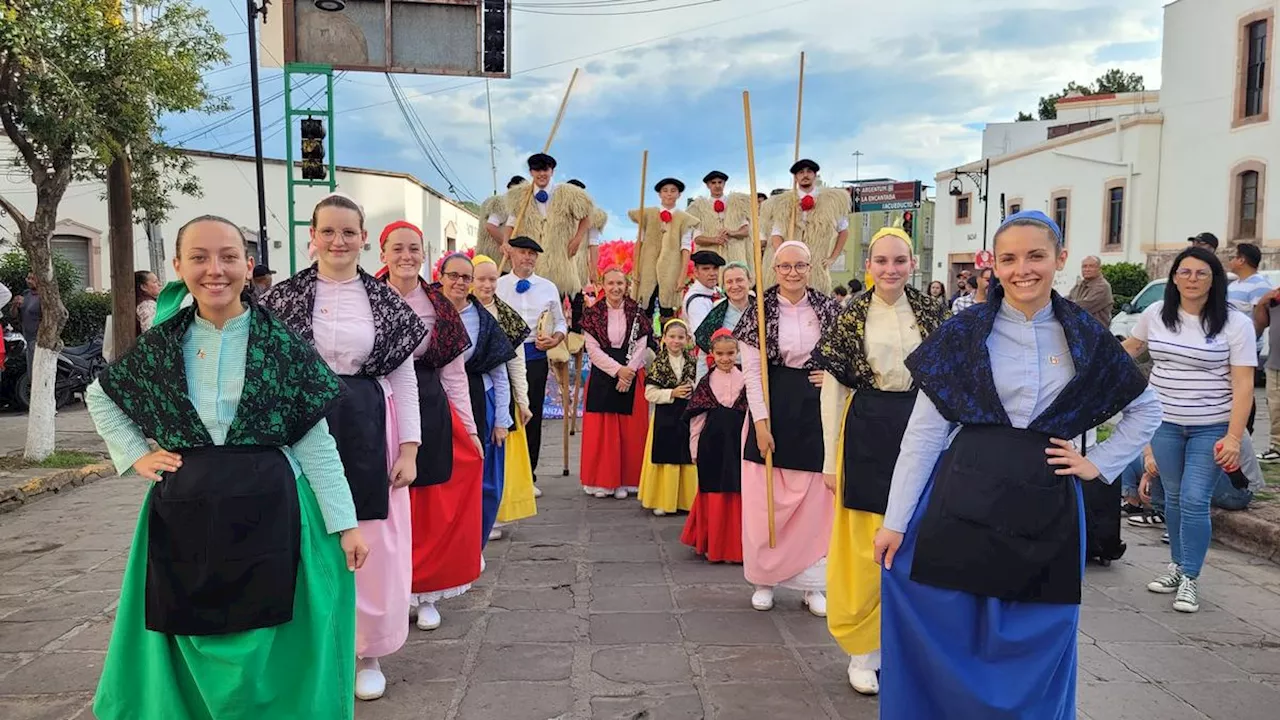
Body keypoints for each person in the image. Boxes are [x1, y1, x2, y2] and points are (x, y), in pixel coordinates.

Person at [873, 210, 1161, 719]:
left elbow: (1146, 408)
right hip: (963, 493)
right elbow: (924, 433)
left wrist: (1098, 465)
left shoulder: (1085, 337)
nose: (1022, 269)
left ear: (1060, 260)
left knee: (1037, 636)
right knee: (947, 625)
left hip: (1046, 501)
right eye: (1008, 258)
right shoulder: (963, 334)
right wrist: (895, 521)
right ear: (993, 265)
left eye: (1036, 256)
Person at [86, 215, 370, 720]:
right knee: (185, 633)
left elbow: (315, 440)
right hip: (184, 516)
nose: (214, 269)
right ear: (177, 266)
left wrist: (345, 524)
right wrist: (136, 454)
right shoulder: (162, 346)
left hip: (274, 512)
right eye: (198, 257)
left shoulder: (281, 346)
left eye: (228, 256)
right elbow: (101, 395)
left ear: (248, 265)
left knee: (271, 644)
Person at [261, 193, 425, 701]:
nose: (338, 241)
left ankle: (367, 649)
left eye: (348, 232)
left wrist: (409, 448)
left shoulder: (386, 304)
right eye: (328, 231)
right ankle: (307, 644)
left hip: (366, 423)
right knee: (304, 528)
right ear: (311, 236)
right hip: (299, 422)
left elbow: (404, 374)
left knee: (370, 536)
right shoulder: (280, 300)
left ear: (362, 239)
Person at [810, 227, 949, 695]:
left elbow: (950, 383)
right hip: (866, 430)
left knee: (917, 536)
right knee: (865, 544)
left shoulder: (934, 312)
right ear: (868, 265)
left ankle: (908, 649)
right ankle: (863, 652)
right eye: (881, 261)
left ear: (913, 264)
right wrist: (830, 462)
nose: (890, 269)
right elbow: (833, 392)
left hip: (923, 428)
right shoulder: (850, 318)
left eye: (899, 260)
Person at [1122, 245, 1255, 613]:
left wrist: (1232, 436)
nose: (1192, 279)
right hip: (1164, 423)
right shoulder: (1156, 314)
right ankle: (1177, 567)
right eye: (1185, 272)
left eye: (1201, 273)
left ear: (1214, 281)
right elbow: (1131, 348)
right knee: (1175, 497)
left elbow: (1243, 385)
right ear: (1175, 277)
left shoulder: (1234, 323)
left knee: (1196, 499)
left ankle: (1191, 579)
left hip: (1210, 426)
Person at [373, 222, 483, 634]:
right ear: (382, 252)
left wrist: (469, 429)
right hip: (377, 408)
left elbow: (454, 374)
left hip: (430, 403)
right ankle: (389, 591)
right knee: (384, 505)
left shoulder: (439, 303)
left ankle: (427, 593)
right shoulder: (366, 295)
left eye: (414, 248)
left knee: (430, 504)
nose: (406, 256)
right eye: (397, 248)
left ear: (424, 253)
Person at [734, 240, 841, 615]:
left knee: (816, 503)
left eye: (800, 266)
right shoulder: (758, 311)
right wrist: (760, 423)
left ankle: (813, 583)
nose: (793, 273)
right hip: (772, 404)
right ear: (774, 269)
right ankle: (765, 579)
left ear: (811, 268)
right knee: (767, 503)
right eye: (785, 267)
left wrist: (832, 376)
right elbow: (751, 373)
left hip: (815, 410)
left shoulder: (828, 308)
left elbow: (846, 360)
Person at [472, 254, 538, 539]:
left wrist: (522, 399)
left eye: (491, 279)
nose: (487, 285)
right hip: (464, 390)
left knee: (498, 454)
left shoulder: (506, 315)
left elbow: (516, 361)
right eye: (481, 279)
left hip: (498, 393)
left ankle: (495, 514)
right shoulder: (457, 309)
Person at [497, 236, 568, 495]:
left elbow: (561, 322)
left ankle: (529, 473)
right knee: (503, 413)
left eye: (532, 254)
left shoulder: (548, 287)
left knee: (532, 414)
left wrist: (555, 339)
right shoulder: (498, 284)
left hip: (535, 355)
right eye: (523, 252)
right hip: (503, 357)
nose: (527, 258)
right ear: (512, 254)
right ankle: (503, 471)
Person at [580, 267, 652, 499]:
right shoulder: (593, 315)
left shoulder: (637, 312)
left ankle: (630, 480)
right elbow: (592, 349)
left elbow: (641, 345)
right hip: (603, 374)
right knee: (604, 432)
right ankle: (603, 481)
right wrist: (618, 370)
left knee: (632, 431)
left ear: (626, 285)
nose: (615, 288)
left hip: (633, 375)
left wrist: (629, 372)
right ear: (603, 284)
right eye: (610, 283)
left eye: (620, 283)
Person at [680, 329, 747, 563]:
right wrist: (694, 448)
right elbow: (697, 419)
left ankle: (737, 545)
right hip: (712, 445)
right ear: (712, 354)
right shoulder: (705, 383)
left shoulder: (748, 379)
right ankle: (713, 542)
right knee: (714, 491)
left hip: (740, 445)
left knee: (740, 490)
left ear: (738, 353)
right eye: (720, 354)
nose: (725, 358)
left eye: (730, 353)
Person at [503, 154, 593, 296]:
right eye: (537, 170)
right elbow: (511, 223)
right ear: (531, 172)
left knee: (558, 307)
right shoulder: (520, 195)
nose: (541, 174)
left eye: (545, 170)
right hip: (532, 261)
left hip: (560, 261)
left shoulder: (568, 193)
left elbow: (586, 216)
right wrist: (505, 243)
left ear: (552, 171)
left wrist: (577, 239)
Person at [638, 318, 699, 516]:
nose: (676, 341)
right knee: (666, 456)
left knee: (688, 455)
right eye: (672, 337)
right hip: (665, 415)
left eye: (680, 337)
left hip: (687, 415)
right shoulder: (659, 362)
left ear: (687, 339)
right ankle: (663, 500)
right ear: (664, 338)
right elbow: (649, 393)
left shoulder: (692, 361)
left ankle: (687, 499)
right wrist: (672, 393)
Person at [763, 159, 850, 293]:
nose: (805, 175)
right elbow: (776, 234)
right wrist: (784, 256)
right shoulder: (784, 203)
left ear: (815, 175)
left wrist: (833, 257)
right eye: (801, 172)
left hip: (816, 267)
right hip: (792, 267)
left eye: (809, 171)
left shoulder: (831, 201)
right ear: (796, 177)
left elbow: (843, 230)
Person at [631, 177, 700, 319]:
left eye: (673, 191)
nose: (669, 194)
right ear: (660, 194)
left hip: (670, 269)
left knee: (667, 308)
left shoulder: (684, 219)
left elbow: (686, 248)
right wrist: (635, 269)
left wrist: (682, 277)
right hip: (647, 267)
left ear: (679, 195)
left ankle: (667, 339)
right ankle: (645, 340)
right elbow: (640, 241)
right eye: (665, 191)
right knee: (645, 307)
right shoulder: (648, 214)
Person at [686, 170, 752, 271]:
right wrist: (715, 240)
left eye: (720, 182)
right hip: (712, 260)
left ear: (724, 184)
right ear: (708, 185)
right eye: (713, 183)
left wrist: (732, 233)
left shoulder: (736, 204)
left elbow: (746, 231)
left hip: (735, 257)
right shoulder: (700, 208)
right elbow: (697, 239)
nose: (717, 185)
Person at [694, 261, 754, 369]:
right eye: (729, 282)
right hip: (726, 375)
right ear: (724, 286)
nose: (735, 286)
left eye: (739, 280)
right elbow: (703, 356)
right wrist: (700, 384)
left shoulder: (764, 309)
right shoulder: (716, 314)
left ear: (749, 281)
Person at [1254, 284, 1280, 463]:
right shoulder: (1275, 299)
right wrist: (1262, 303)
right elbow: (1259, 326)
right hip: (1275, 363)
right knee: (1275, 407)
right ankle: (1276, 447)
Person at [480, 175, 526, 261]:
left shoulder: (515, 205)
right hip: (497, 257)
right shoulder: (505, 203)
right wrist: (508, 246)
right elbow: (490, 226)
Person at [1067, 255, 1114, 327]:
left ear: (1099, 269)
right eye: (1084, 266)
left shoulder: (1102, 286)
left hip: (1095, 333)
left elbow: (1081, 307)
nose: (1087, 269)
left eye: (1091, 266)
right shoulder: (1080, 285)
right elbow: (1068, 299)